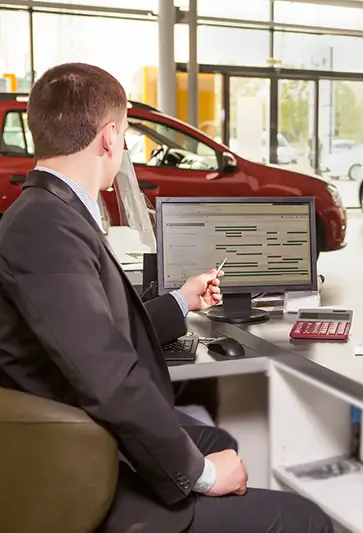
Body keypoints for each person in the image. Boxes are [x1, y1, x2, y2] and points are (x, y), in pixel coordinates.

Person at [0, 63, 332, 533]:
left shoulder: (52, 211)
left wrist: (181, 301)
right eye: (128, 137)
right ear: (110, 138)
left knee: (218, 436)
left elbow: (92, 331)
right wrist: (204, 475)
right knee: (306, 519)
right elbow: (109, 378)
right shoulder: (44, 228)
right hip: (85, 457)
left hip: (81, 423)